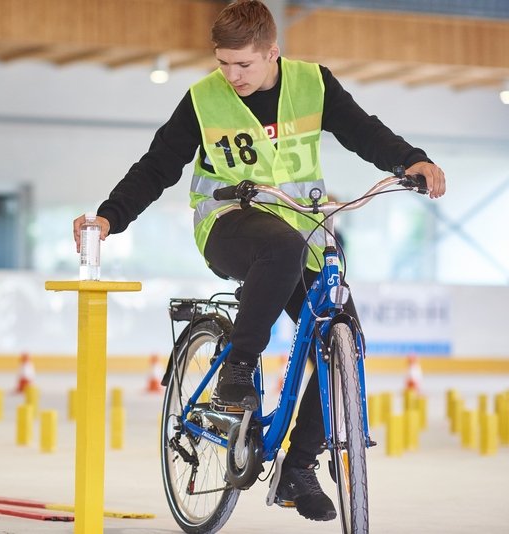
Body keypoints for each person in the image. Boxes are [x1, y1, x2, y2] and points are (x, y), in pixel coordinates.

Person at [72, 0, 446, 523]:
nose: (232, 75)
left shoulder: (314, 85)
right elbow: (157, 165)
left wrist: (411, 159)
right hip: (228, 225)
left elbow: (364, 131)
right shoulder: (204, 100)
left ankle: (297, 466)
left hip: (302, 229)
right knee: (281, 248)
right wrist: (110, 218)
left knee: (345, 340)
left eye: (243, 65)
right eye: (224, 63)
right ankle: (239, 368)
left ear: (273, 52)